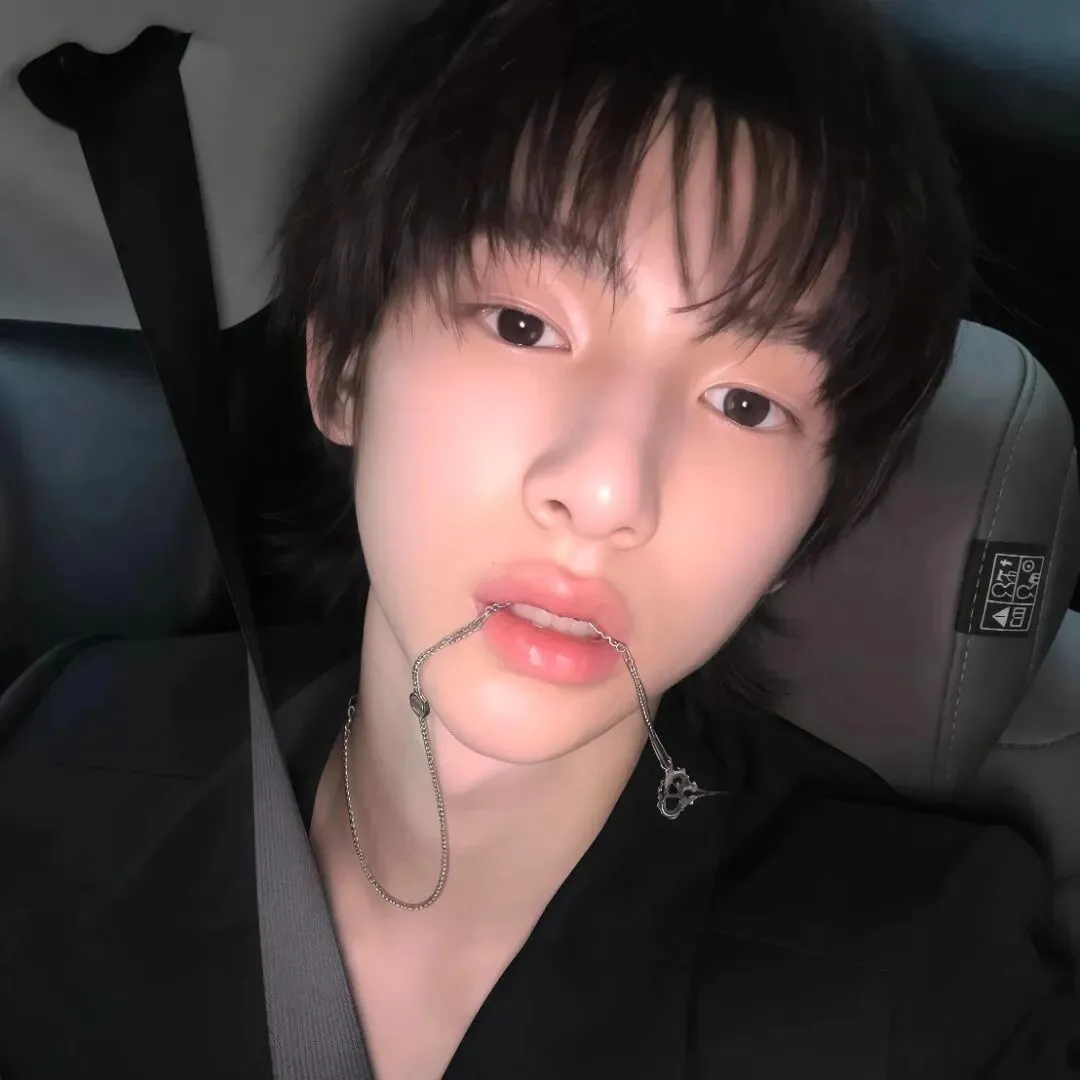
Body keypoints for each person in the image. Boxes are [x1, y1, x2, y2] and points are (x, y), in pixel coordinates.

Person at [0, 0, 1077, 1077]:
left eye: (747, 404)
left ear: (803, 532)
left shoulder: (919, 983)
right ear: (341, 370)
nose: (606, 491)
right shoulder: (61, 762)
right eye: (524, 326)